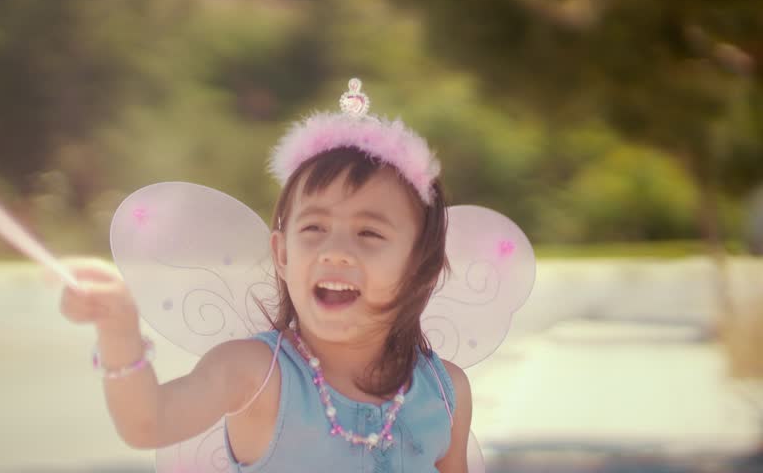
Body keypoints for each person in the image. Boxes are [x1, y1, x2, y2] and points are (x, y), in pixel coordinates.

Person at [61, 79, 481, 472]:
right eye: (313, 228)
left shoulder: (445, 393)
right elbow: (148, 423)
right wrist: (118, 330)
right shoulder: (255, 373)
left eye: (369, 232)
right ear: (281, 254)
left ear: (419, 263)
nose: (334, 251)